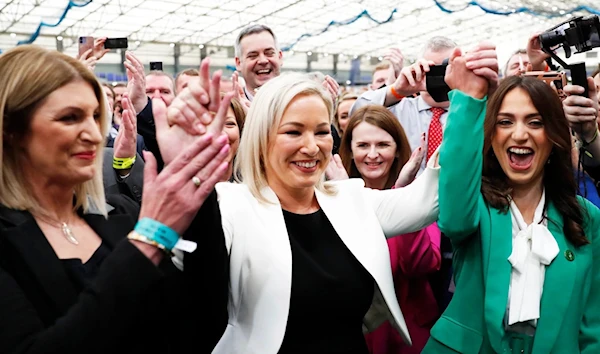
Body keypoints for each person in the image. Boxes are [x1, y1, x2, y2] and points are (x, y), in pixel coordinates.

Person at [168, 68, 441, 353]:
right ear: (262, 138)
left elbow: (426, 201)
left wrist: (469, 101)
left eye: (322, 132)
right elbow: (183, 265)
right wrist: (191, 172)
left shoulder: (350, 200)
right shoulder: (230, 205)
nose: (311, 147)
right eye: (293, 132)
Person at [0, 45, 232, 353]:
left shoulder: (118, 216)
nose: (95, 135)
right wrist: (146, 241)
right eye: (70, 118)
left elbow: (201, 322)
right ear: (10, 130)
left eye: (95, 116)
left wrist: (194, 181)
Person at [423, 43, 600, 354]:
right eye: (505, 122)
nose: (519, 135)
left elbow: (592, 327)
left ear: (555, 137)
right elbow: (452, 218)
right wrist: (468, 96)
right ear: (491, 135)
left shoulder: (587, 219)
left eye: (535, 122)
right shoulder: (472, 204)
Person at [333, 105, 441, 354]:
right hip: (352, 336)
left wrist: (401, 195)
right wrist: (346, 198)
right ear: (350, 149)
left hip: (408, 339)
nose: (372, 155)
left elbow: (419, 265)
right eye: (363, 146)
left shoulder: (419, 195)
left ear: (397, 149)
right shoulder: (330, 197)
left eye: (382, 145)